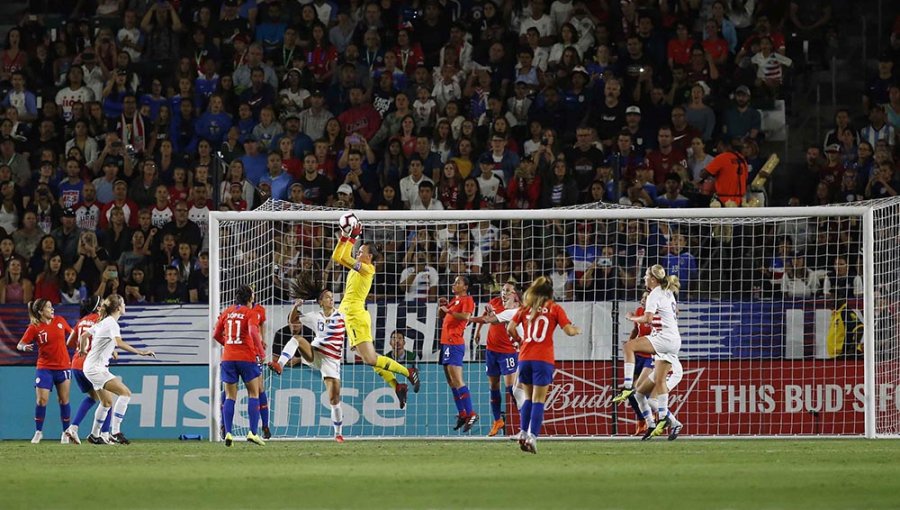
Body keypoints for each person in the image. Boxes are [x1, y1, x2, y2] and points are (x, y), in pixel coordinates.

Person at [331, 217, 420, 402]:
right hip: (349, 317)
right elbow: (337, 257)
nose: (357, 254)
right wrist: (346, 236)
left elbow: (344, 257)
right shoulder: (357, 268)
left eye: (361, 252)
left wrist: (353, 236)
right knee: (367, 358)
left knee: (371, 359)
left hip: (355, 316)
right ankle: (397, 385)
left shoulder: (367, 269)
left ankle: (408, 372)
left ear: (369, 256)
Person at [507, 276, 582, 453]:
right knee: (538, 400)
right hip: (543, 359)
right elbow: (569, 331)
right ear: (550, 292)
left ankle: (523, 433)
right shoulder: (554, 308)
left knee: (527, 398)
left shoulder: (526, 308)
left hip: (525, 358)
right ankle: (532, 437)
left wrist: (520, 341)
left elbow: (510, 327)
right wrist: (577, 329)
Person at [270, 273, 347, 441]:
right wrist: (295, 306)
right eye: (327, 297)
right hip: (315, 353)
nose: (331, 299)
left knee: (334, 399)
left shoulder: (341, 315)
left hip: (331, 361)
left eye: (332, 297)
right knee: (297, 339)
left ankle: (338, 433)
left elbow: (350, 330)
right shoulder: (315, 316)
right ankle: (280, 365)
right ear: (321, 302)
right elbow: (293, 320)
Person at [612, 265, 683, 439]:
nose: (643, 278)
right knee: (646, 390)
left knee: (629, 347)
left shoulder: (655, 293)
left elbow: (647, 318)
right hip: (672, 341)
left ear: (652, 279)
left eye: (645, 276)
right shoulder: (667, 292)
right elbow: (670, 313)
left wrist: (631, 318)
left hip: (665, 340)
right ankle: (659, 420)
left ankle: (628, 386)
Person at [78, 294, 155, 445]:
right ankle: (115, 432)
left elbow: (84, 336)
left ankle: (94, 435)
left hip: (91, 366)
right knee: (125, 393)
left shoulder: (103, 322)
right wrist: (140, 352)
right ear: (118, 307)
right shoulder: (112, 323)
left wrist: (83, 350)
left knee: (106, 402)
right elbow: (118, 342)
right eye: (124, 303)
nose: (125, 306)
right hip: (96, 368)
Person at [468, 282, 527, 436]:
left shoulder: (514, 310)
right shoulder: (496, 303)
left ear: (515, 294)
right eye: (502, 290)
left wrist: (468, 319)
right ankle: (498, 421)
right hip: (492, 350)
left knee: (513, 389)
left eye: (507, 291)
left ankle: (525, 424)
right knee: (494, 386)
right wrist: (478, 331)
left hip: (508, 352)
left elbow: (489, 319)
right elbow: (486, 316)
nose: (503, 293)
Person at [213, 284, 266, 446]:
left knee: (230, 396)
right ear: (250, 298)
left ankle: (228, 433)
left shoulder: (227, 312)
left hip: (228, 357)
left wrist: (228, 344)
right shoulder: (251, 313)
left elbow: (216, 334)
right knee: (253, 393)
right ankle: (252, 432)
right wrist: (261, 352)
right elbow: (252, 332)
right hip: (246, 357)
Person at [17, 299, 74, 444]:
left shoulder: (60, 321)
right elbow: (20, 344)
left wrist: (80, 343)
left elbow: (73, 333)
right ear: (41, 311)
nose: (52, 309)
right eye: (48, 307)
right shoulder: (34, 327)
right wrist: (24, 347)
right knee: (42, 400)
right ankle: (38, 432)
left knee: (64, 400)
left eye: (51, 306)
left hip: (63, 367)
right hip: (44, 368)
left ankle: (66, 433)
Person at [64, 296, 112, 444]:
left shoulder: (81, 321)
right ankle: (104, 434)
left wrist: (82, 349)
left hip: (76, 364)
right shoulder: (101, 320)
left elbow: (69, 342)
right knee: (108, 400)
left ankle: (73, 427)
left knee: (93, 397)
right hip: (92, 364)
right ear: (98, 307)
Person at [439, 275, 477, 432]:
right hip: (446, 343)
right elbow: (445, 317)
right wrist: (443, 308)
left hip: (455, 343)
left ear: (465, 287)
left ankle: (471, 413)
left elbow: (466, 317)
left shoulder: (467, 299)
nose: (454, 284)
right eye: (454, 282)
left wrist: (448, 310)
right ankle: (462, 413)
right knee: (451, 381)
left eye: (458, 282)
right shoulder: (454, 301)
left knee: (458, 380)